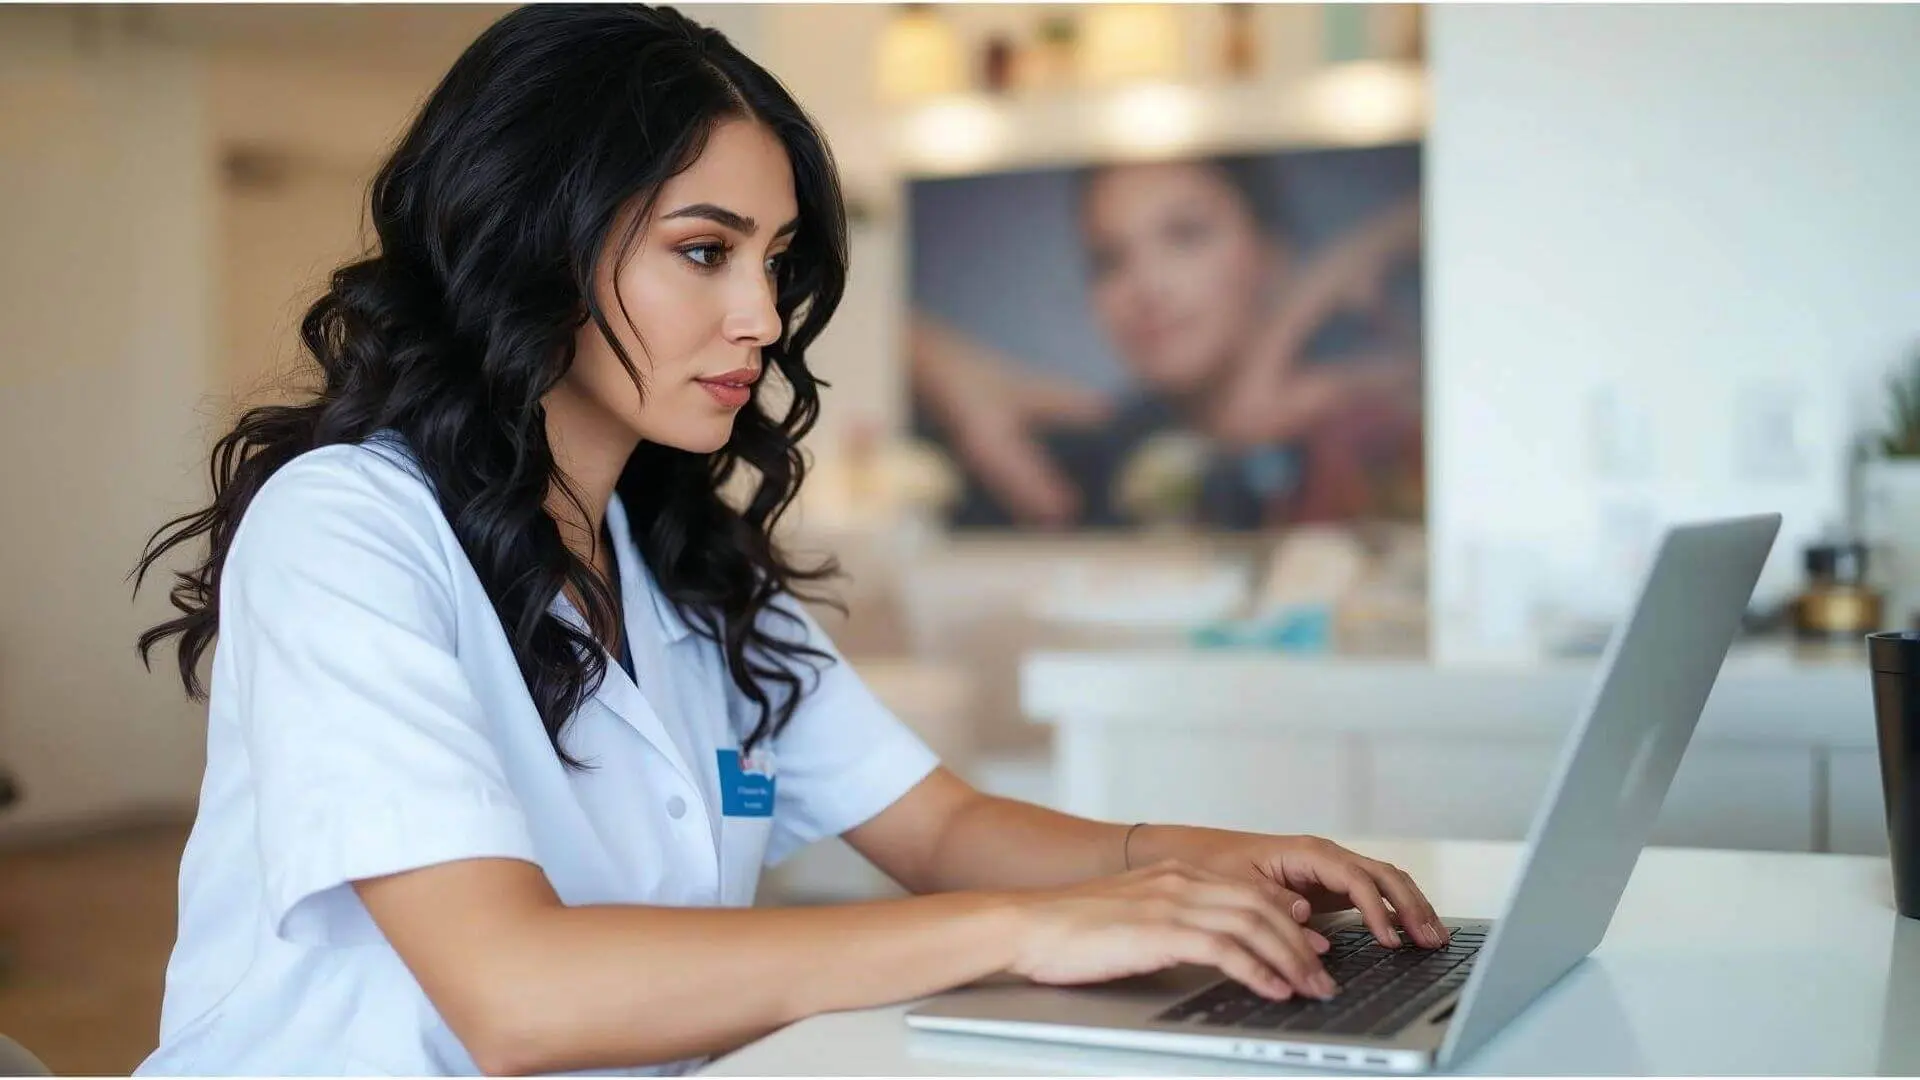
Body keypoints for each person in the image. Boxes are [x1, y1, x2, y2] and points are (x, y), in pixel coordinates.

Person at [130, 7, 1447, 1076]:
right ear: (527, 242)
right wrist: (1035, 928)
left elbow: (943, 826)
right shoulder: (347, 531)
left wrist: (1198, 860)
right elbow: (515, 995)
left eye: (775, 261)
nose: (762, 316)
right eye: (705, 252)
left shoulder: (674, 552)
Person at [911, 155, 1423, 530]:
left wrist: (1300, 307)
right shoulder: (1100, 448)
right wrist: (960, 379)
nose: (1147, 287)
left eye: (1185, 236)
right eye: (1110, 260)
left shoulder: (1364, 435)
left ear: (1269, 256)